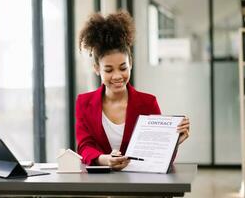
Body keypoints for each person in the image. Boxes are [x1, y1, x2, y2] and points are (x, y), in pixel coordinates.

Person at [75, 10, 190, 171]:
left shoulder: (148, 103)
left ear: (131, 63)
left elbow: (157, 154)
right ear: (96, 69)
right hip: (100, 185)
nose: (117, 76)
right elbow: (84, 146)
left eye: (123, 68)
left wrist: (173, 141)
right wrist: (104, 160)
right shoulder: (84, 103)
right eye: (108, 70)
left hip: (139, 185)